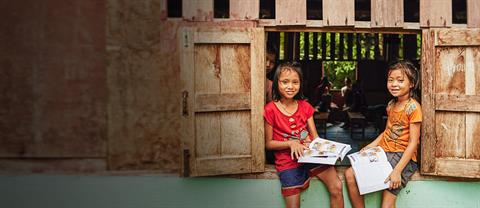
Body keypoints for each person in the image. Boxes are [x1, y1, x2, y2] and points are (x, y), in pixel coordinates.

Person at [264, 62, 344, 208]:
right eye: (285, 82)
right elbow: (268, 143)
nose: (290, 86)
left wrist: (330, 151)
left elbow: (315, 138)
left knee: (337, 187)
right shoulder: (270, 110)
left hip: (310, 156)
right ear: (277, 83)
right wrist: (290, 143)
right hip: (287, 161)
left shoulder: (305, 107)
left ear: (300, 84)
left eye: (295, 82)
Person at [344, 60, 422, 208]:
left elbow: (413, 143)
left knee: (386, 206)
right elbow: (386, 132)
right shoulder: (391, 105)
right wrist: (370, 147)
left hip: (403, 157)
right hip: (384, 152)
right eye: (390, 80)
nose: (394, 84)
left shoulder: (413, 108)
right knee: (349, 174)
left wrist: (397, 171)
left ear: (411, 83)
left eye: (400, 80)